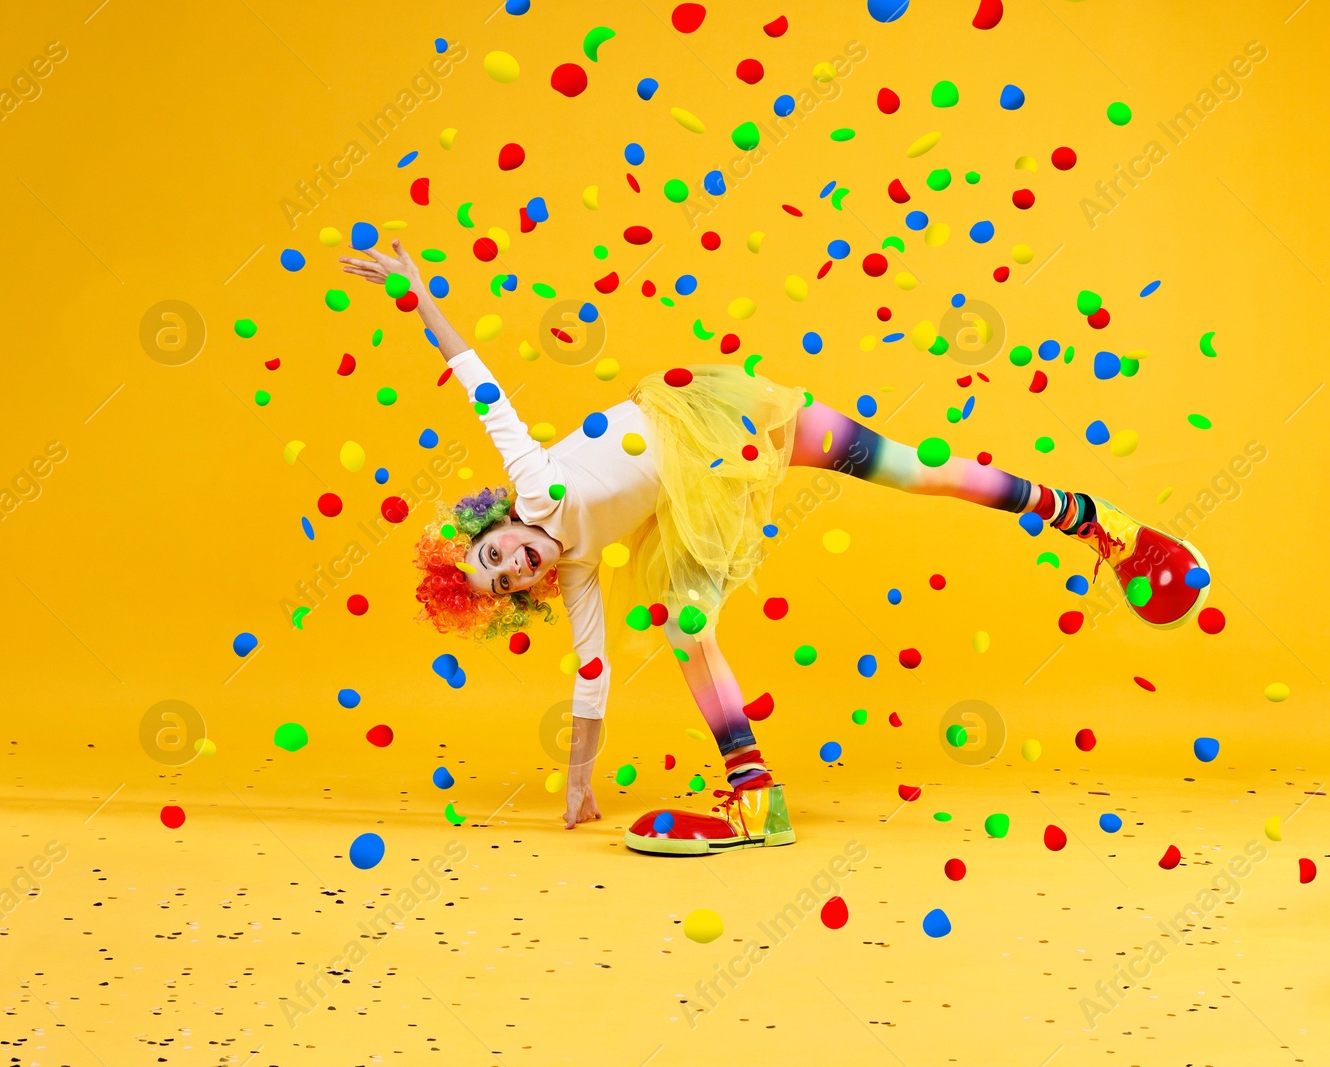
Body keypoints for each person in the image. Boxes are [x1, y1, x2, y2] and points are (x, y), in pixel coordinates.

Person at [340, 241, 1210, 856]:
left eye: (496, 554)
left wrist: (419, 300)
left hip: (730, 417)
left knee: (911, 470)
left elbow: (479, 382)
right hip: (712, 489)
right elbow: (592, 671)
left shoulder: (532, 478)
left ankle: (1092, 519)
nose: (513, 564)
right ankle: (756, 794)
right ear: (520, 594)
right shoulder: (570, 572)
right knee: (685, 623)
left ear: (494, 523)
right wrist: (577, 779)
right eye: (504, 582)